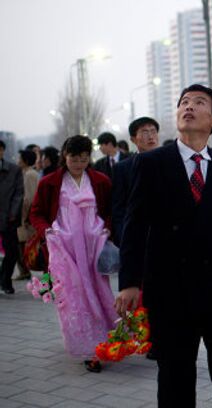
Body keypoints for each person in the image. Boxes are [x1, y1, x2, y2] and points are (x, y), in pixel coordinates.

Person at [115, 84, 212, 407]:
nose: (188, 107)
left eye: (198, 102)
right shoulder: (151, 163)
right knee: (175, 377)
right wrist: (129, 283)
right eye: (184, 102)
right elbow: (134, 226)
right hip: (169, 287)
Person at [29, 135, 116, 372]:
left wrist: (108, 227)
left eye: (84, 159)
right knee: (73, 299)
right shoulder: (49, 183)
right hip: (64, 251)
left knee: (99, 293)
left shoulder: (101, 181)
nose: (78, 164)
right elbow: (35, 213)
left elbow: (111, 210)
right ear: (64, 157)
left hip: (93, 249)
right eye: (74, 159)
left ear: (90, 158)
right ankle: (86, 348)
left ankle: (105, 340)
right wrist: (47, 230)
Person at [112, 117, 160, 247]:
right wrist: (124, 239)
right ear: (133, 139)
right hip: (137, 238)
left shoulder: (172, 163)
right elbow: (119, 208)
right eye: (144, 132)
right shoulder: (122, 168)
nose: (151, 137)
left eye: (153, 131)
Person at [0, 140, 24, 294]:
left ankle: (5, 280)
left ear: (2, 150)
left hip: (8, 217)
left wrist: (13, 213)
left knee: (12, 252)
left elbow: (19, 193)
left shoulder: (14, 170)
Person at [15, 149, 39, 280]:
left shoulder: (30, 174)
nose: (18, 161)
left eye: (20, 158)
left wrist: (23, 215)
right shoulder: (27, 173)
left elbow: (28, 197)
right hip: (26, 216)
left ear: (25, 160)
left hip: (25, 217)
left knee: (22, 244)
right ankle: (24, 270)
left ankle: (25, 270)